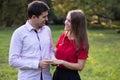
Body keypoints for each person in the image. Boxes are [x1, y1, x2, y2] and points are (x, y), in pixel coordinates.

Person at [9, 1, 55, 80]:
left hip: (47, 77)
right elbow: (13, 61)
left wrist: (53, 59)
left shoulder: (47, 30)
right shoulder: (19, 33)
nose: (47, 19)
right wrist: (37, 64)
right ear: (33, 17)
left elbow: (50, 50)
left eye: (47, 16)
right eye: (44, 17)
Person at [47, 10, 89, 80]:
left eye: (69, 21)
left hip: (70, 77)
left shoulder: (82, 43)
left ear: (77, 24)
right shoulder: (63, 36)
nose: (65, 22)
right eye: (66, 19)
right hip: (57, 75)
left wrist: (62, 62)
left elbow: (80, 66)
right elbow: (55, 52)